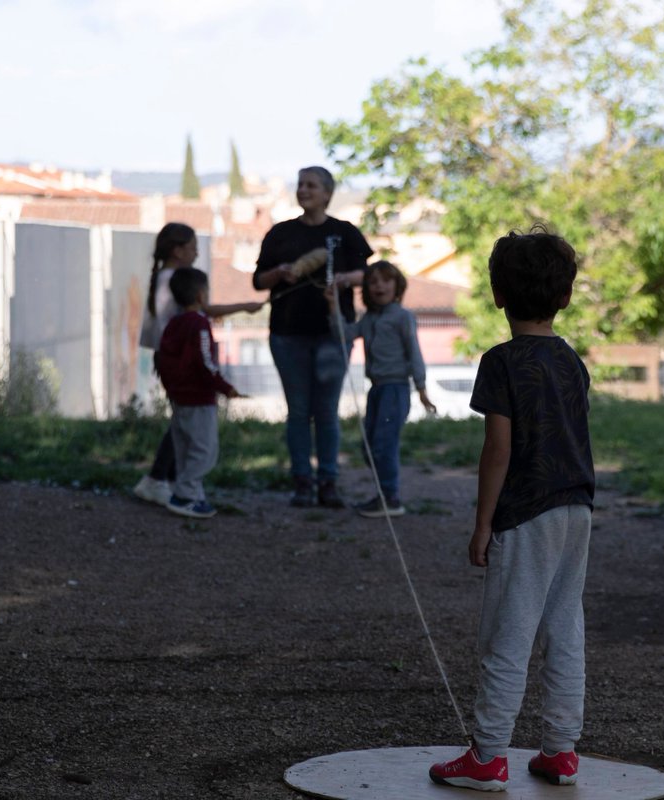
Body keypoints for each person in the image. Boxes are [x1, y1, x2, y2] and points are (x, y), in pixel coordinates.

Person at [429, 228, 595, 792]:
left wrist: (482, 524)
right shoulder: (572, 362)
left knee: (509, 633)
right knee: (564, 629)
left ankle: (489, 755)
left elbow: (498, 450)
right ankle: (561, 750)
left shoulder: (500, 363)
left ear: (498, 295)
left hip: (525, 516)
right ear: (565, 297)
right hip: (577, 510)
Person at [253, 166, 373, 508]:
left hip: (333, 333)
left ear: (327, 193)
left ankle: (328, 482)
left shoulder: (345, 232)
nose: (303, 190)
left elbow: (368, 274)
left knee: (326, 410)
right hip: (288, 333)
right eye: (300, 184)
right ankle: (302, 481)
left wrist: (344, 280)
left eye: (311, 185)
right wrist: (279, 273)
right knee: (298, 410)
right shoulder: (280, 234)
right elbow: (258, 282)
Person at [132, 223, 261, 506]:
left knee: (181, 421)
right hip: (182, 361)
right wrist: (245, 306)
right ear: (178, 251)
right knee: (187, 425)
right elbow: (204, 312)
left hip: (171, 358)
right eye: (192, 248)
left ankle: (165, 480)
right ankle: (167, 482)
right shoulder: (177, 281)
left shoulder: (165, 277)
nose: (196, 253)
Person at [327, 260, 436, 518]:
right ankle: (384, 494)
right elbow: (345, 334)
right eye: (373, 281)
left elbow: (415, 353)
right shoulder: (369, 319)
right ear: (366, 289)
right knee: (370, 446)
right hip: (376, 390)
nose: (379, 286)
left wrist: (421, 389)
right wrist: (333, 306)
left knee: (384, 445)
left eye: (386, 280)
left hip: (395, 390)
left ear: (397, 285)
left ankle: (391, 498)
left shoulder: (403, 317)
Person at [153, 267, 241, 519]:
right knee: (204, 450)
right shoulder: (199, 325)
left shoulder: (173, 324)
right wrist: (225, 387)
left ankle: (191, 492)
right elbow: (205, 361)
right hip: (199, 399)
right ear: (201, 295)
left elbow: (165, 360)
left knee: (184, 447)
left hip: (179, 397)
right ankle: (186, 495)